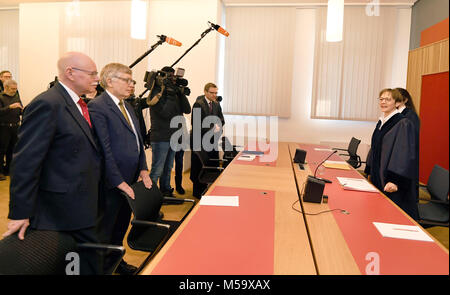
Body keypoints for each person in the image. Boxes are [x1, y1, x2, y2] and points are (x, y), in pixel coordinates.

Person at [2, 52, 103, 274]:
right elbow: (26, 161)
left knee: (85, 262)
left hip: (81, 203)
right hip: (60, 208)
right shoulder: (47, 103)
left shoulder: (78, 103)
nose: (97, 78)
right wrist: (20, 212)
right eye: (92, 73)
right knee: (76, 263)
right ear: (70, 73)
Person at [88, 63, 152, 275]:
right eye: (127, 80)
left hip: (131, 178)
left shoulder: (127, 105)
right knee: (106, 227)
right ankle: (102, 267)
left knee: (122, 223)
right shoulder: (98, 106)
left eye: (132, 80)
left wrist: (143, 168)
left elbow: (138, 140)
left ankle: (117, 261)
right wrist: (118, 181)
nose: (131, 85)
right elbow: (104, 150)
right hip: (112, 182)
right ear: (109, 81)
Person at [364, 88, 419, 220]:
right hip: (378, 174)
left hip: (391, 180)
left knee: (391, 217)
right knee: (376, 212)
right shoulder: (382, 121)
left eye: (388, 99)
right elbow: (375, 148)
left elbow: (403, 154)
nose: (383, 102)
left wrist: (394, 180)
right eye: (381, 99)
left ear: (397, 103)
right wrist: (369, 170)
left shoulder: (402, 123)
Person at [147, 66, 191, 197]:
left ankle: (165, 191)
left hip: (174, 137)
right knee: (157, 170)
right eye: (170, 77)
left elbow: (187, 109)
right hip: (161, 137)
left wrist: (180, 93)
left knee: (168, 168)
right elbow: (165, 113)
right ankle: (150, 197)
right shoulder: (156, 92)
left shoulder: (175, 92)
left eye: (174, 77)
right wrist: (170, 94)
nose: (173, 80)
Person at [190, 82, 225, 198]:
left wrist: (218, 125)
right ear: (205, 92)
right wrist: (212, 127)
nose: (214, 95)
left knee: (211, 166)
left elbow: (221, 119)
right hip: (199, 141)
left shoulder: (216, 104)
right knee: (199, 168)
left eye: (216, 93)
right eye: (212, 93)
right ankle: (197, 194)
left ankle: (209, 190)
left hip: (212, 141)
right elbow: (196, 124)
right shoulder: (198, 104)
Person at [394, 87, 420, 203]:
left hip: (404, 161)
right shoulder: (396, 114)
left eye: (397, 99)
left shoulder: (410, 116)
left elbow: (407, 143)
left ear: (405, 100)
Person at [0, 80, 23, 180]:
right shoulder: (1, 97)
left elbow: (19, 110)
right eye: (12, 89)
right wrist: (10, 107)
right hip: (3, 127)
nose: (14, 90)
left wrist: (22, 110)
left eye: (15, 88)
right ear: (6, 88)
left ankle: (8, 169)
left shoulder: (16, 97)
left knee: (13, 150)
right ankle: (0, 172)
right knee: (1, 150)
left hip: (15, 127)